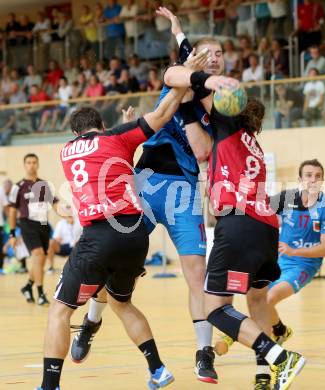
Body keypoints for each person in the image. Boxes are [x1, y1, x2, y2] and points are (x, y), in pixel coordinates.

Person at [70, 11, 219, 383]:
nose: (214, 57)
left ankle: (204, 351)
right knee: (112, 260)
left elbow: (205, 153)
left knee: (196, 275)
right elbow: (179, 66)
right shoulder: (177, 81)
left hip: (184, 190)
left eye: (219, 54)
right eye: (207, 53)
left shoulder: (215, 108)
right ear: (195, 60)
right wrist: (179, 31)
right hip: (146, 184)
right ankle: (91, 322)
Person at [34, 74, 195, 389]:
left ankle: (49, 386)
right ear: (102, 124)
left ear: (74, 132)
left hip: (99, 235)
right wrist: (183, 86)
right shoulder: (117, 138)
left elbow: (102, 160)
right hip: (135, 234)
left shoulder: (66, 152)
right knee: (122, 303)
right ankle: (158, 369)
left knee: (59, 311)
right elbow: (160, 117)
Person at [176, 67, 306, 390]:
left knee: (215, 309)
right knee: (257, 301)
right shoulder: (256, 150)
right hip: (265, 228)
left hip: (238, 225)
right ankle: (266, 374)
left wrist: (183, 46)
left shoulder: (227, 124)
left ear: (231, 108)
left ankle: (279, 357)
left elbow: (195, 86)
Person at [214, 159, 325, 387]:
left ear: (322, 180)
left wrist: (294, 250)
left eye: (317, 176)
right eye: (308, 175)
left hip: (304, 265)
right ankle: (279, 331)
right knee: (257, 300)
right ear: (300, 179)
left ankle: (237, 336)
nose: (313, 179)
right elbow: (258, 210)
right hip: (279, 259)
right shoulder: (288, 197)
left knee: (268, 298)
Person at [8, 154, 58, 306]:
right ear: (24, 165)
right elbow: (12, 211)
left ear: (38, 164)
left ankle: (28, 286)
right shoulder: (18, 186)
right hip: (27, 224)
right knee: (38, 254)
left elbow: (54, 204)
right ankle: (41, 294)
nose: (32, 165)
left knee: (40, 260)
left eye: (34, 162)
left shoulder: (45, 185)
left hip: (43, 225)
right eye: (28, 162)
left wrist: (65, 211)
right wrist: (12, 233)